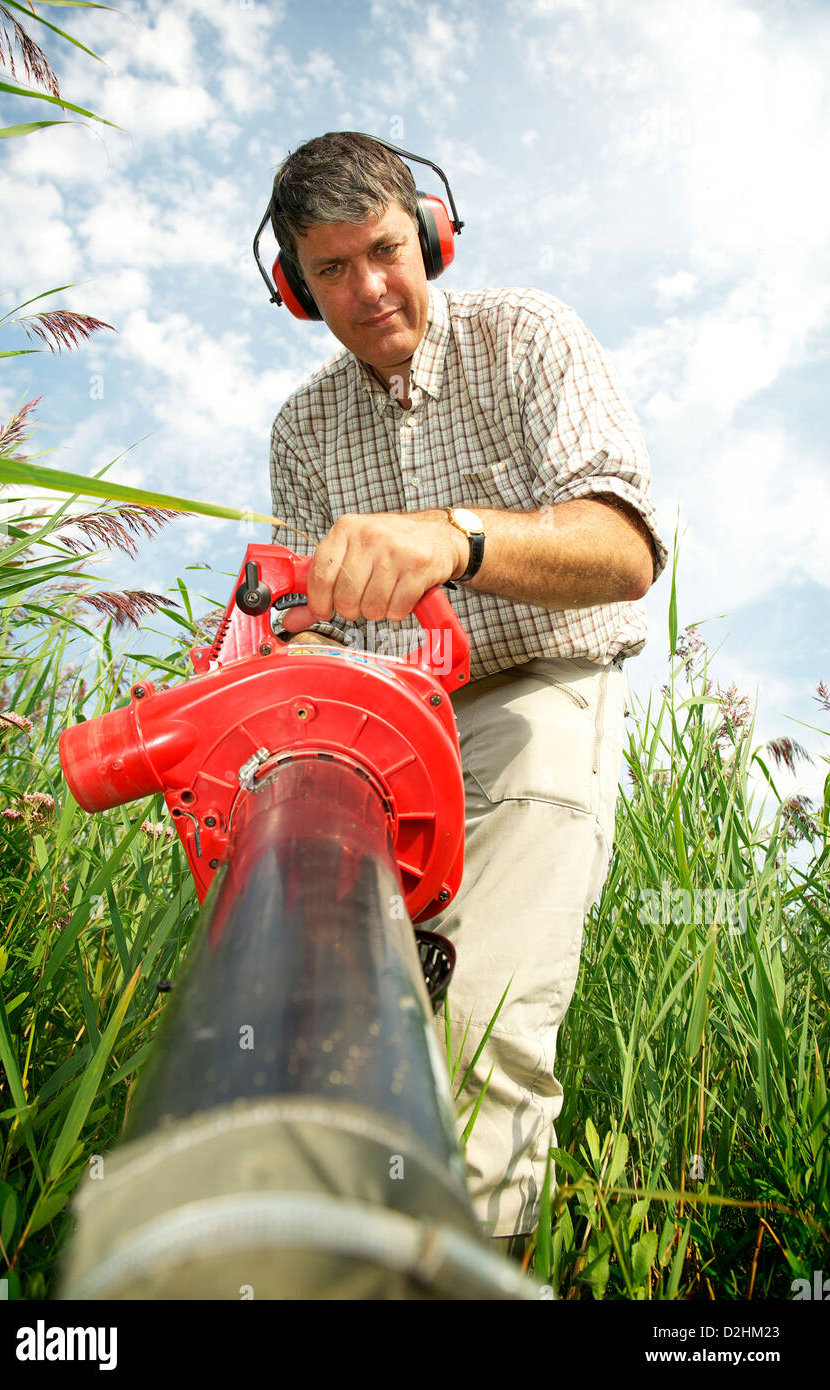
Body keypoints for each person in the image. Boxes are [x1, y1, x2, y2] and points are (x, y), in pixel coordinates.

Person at [264, 131, 668, 1250]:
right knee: (349, 1031)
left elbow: (625, 547)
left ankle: (468, 1270)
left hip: (544, 686)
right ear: (296, 283)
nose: (370, 288)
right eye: (332, 269)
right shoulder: (302, 430)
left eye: (386, 250)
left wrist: (457, 536)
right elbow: (314, 635)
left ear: (430, 234)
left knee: (480, 1016)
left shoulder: (526, 339)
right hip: (387, 732)